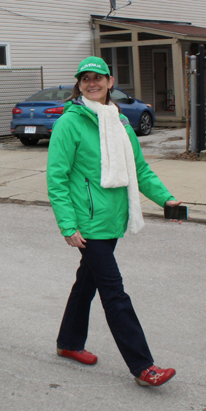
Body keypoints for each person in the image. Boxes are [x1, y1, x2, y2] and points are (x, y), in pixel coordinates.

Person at [46, 56, 180, 387]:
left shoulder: (117, 121)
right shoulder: (70, 123)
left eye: (98, 77)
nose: (92, 83)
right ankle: (143, 366)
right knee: (113, 291)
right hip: (88, 224)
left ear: (109, 82)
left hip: (113, 219)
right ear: (79, 85)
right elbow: (57, 178)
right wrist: (67, 225)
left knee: (86, 283)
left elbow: (140, 169)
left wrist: (166, 198)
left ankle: (68, 343)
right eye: (85, 79)